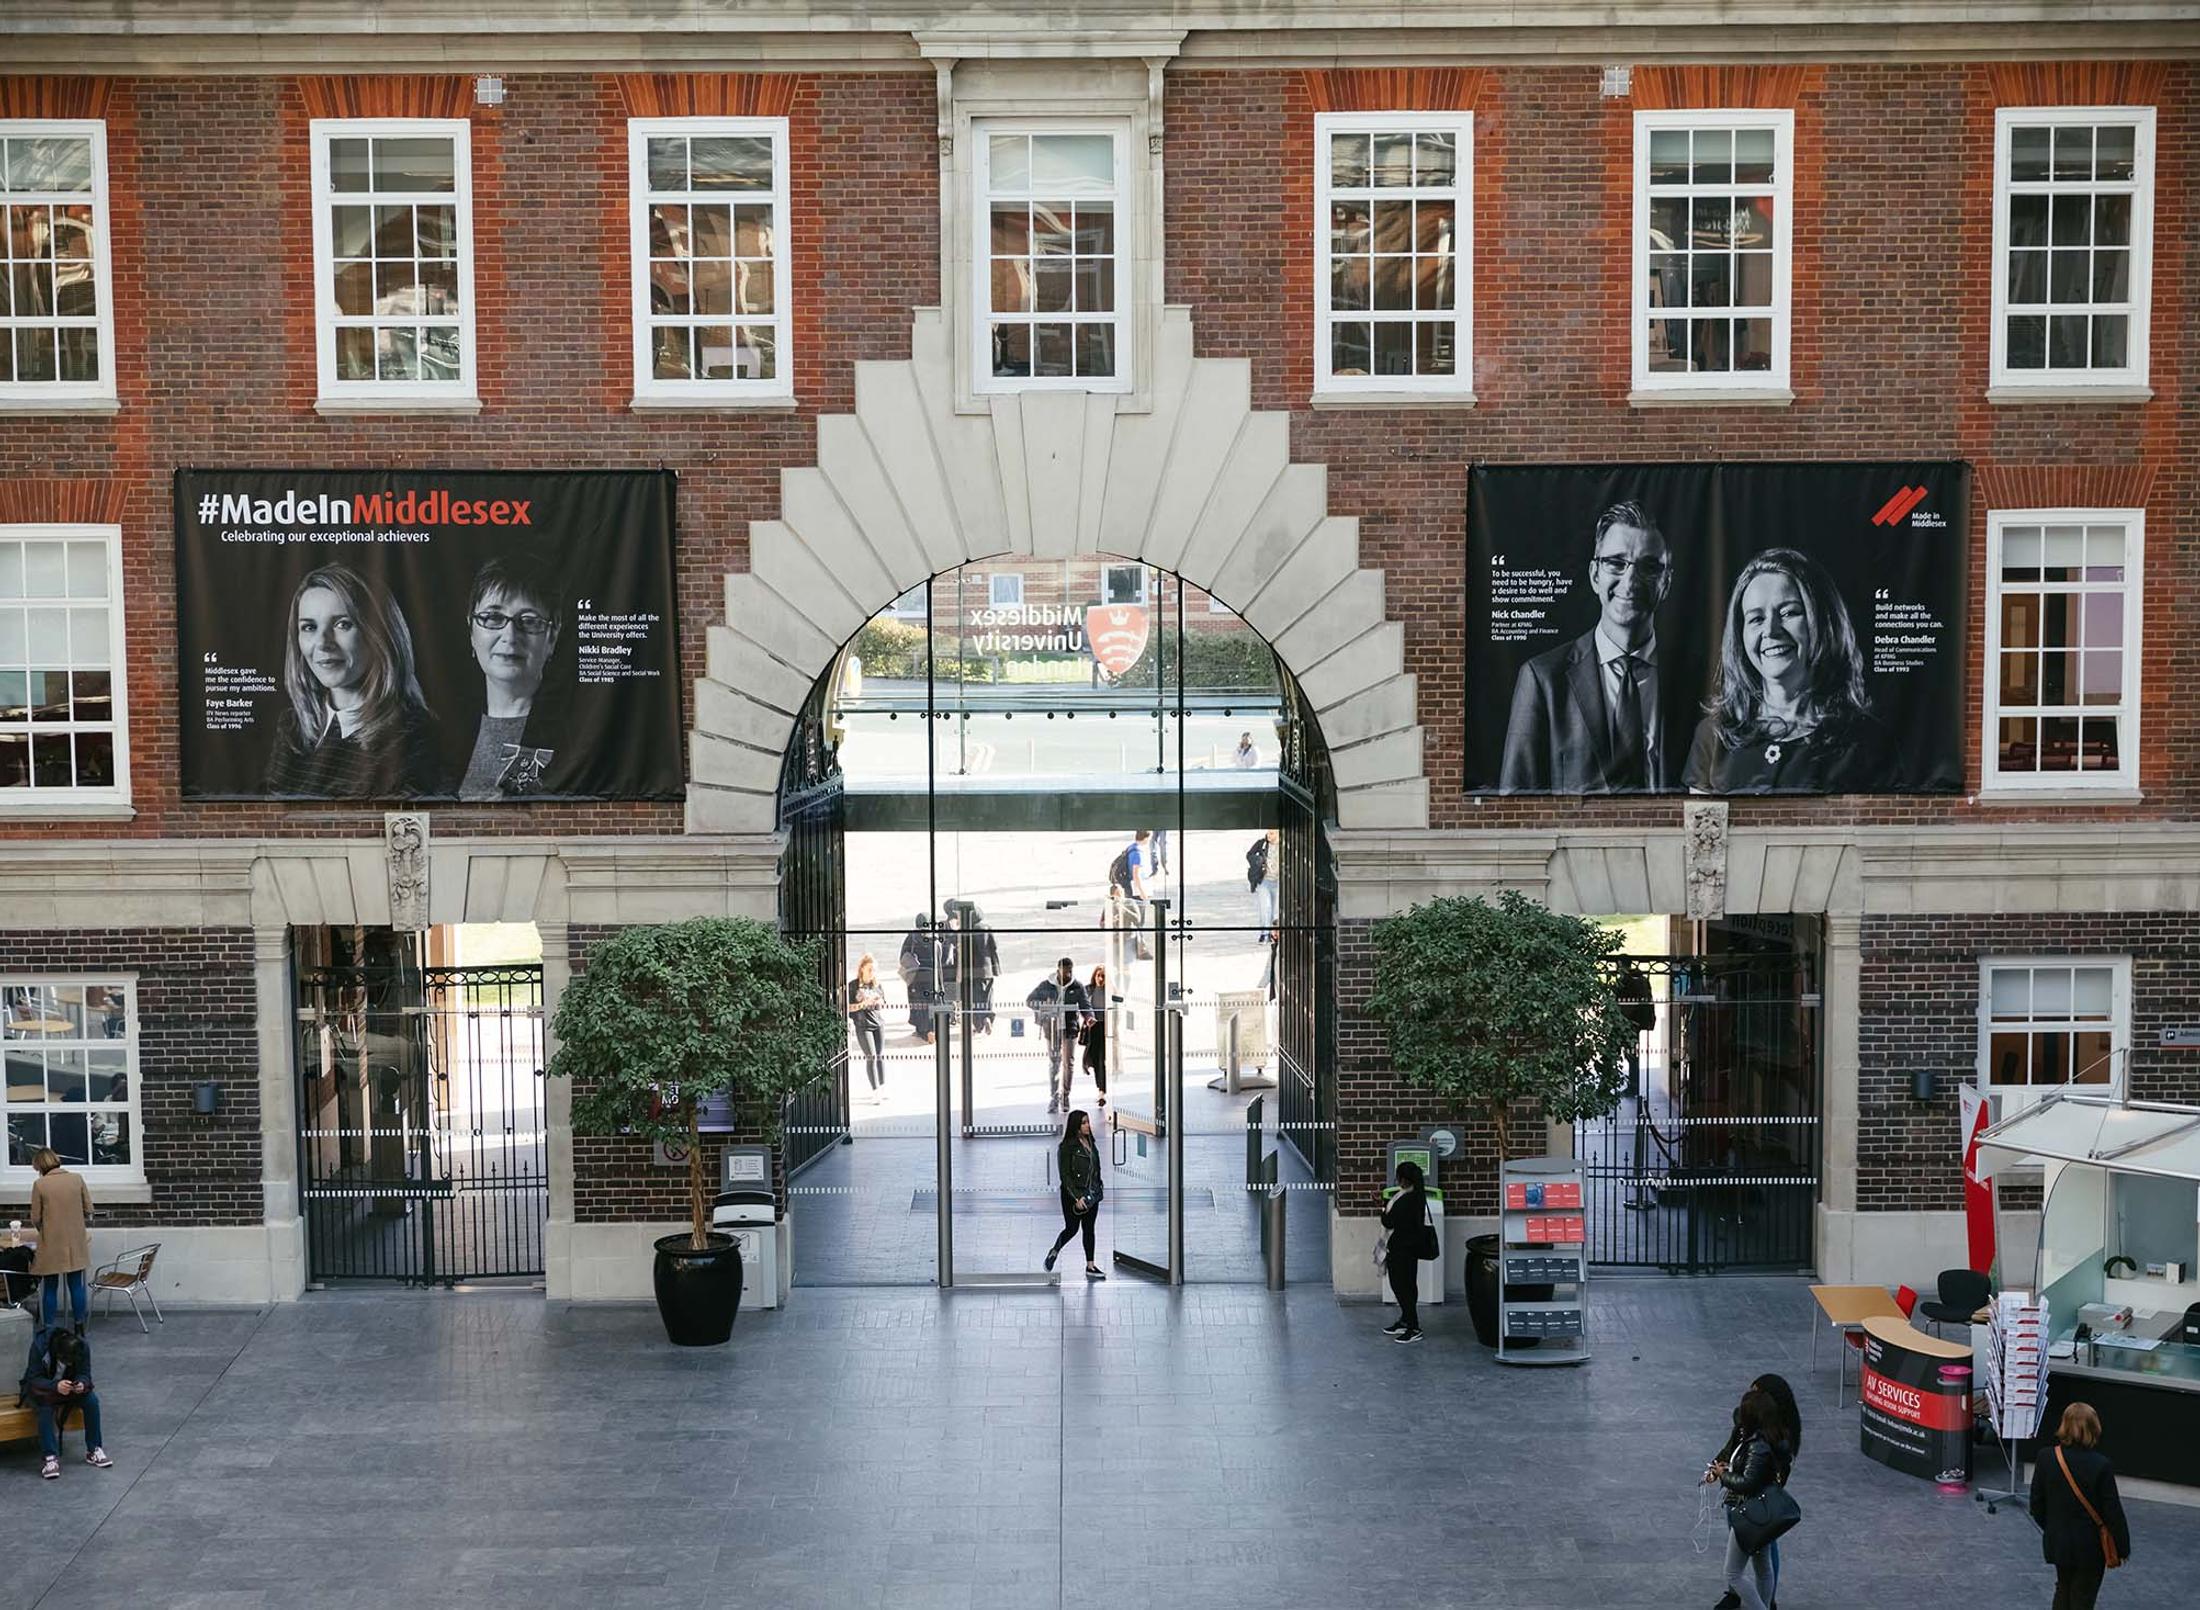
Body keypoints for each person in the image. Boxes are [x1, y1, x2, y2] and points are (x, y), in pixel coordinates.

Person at [1499, 500, 1681, 793]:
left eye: (1649, 567)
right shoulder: (1543, 679)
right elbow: (1514, 802)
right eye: (1616, 563)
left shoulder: (1699, 678)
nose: (1630, 581)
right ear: (1595, 575)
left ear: (1666, 583)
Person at [1684, 548, 1887, 795]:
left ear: (1823, 621)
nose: (1771, 630)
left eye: (1789, 612)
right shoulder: (1713, 736)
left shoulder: (1868, 741)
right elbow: (1702, 831)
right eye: (1756, 619)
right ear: (1740, 635)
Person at [263, 563, 440, 797]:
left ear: (379, 633)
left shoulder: (414, 737)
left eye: (342, 624)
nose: (323, 643)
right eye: (309, 627)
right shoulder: (292, 728)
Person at [450, 554, 567, 799]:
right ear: (471, 629)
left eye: (529, 621)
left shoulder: (577, 735)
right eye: (493, 617)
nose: (510, 636)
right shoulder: (442, 732)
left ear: (552, 635)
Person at [1712, 1374, 1801, 1610]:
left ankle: (1759, 1604)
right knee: (1763, 1565)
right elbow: (1730, 1450)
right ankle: (1764, 1601)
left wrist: (1723, 1475)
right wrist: (1717, 1466)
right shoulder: (1764, 1435)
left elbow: (1748, 1482)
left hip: (1749, 1508)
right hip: (1757, 1508)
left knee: (1733, 1571)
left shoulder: (1759, 1444)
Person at [2031, 1401, 2130, 1610]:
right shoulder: (2101, 1465)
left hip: (2058, 1541)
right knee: (2083, 1595)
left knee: (2063, 1587)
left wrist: (2052, 1527)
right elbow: (2112, 1511)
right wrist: (2122, 1547)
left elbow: (2036, 1504)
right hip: (2090, 1546)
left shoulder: (2046, 1457)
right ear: (2094, 1428)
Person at [20, 1325, 112, 1480]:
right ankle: (50, 1457)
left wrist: (81, 1383)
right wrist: (54, 1386)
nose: (69, 1365)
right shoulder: (39, 1346)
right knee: (45, 1408)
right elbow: (32, 1379)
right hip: (44, 1389)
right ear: (58, 1354)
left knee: (92, 1401)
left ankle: (94, 1448)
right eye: (66, 1361)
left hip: (69, 1388)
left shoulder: (82, 1346)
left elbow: (85, 1373)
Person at [28, 1148, 91, 1333]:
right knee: (76, 1285)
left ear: (40, 1165)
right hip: (75, 1241)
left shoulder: (40, 1185)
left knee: (50, 1287)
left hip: (51, 1243)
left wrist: (45, 1230)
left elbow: (36, 1218)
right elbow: (89, 1208)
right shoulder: (77, 1179)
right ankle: (79, 1325)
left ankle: (48, 1329)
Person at [1043, 1109, 1106, 1280]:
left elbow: (1095, 1167)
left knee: (1089, 1229)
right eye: (1084, 1123)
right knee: (1072, 1229)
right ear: (1076, 1126)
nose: (1087, 1125)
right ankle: (1054, 1251)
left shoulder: (1090, 1142)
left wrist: (1098, 1187)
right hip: (1073, 1195)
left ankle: (1090, 1265)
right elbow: (1065, 1176)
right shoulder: (1066, 1147)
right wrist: (1077, 1197)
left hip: (1092, 1193)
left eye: (1088, 1122)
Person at [1027, 958, 1090, 1114]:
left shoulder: (1077, 986)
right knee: (1054, 1062)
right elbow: (1030, 1000)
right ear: (1058, 970)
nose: (1068, 974)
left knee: (1068, 1062)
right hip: (1052, 1028)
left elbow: (1085, 1004)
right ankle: (1054, 1096)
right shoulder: (1047, 985)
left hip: (1070, 1028)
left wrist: (1089, 1017)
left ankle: (1065, 1095)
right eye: (1066, 970)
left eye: (1070, 970)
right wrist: (1044, 1005)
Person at [1378, 1158, 1431, 1344]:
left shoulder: (1405, 1199)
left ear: (1404, 1179)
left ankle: (1413, 1325)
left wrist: (1382, 1208)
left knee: (1401, 1287)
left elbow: (1388, 1221)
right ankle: (1406, 1319)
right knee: (1407, 1285)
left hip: (1401, 1249)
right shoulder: (1415, 1196)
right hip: (1409, 1248)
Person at [1108, 832, 1154, 960]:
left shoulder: (1131, 848)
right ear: (1147, 838)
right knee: (1138, 921)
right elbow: (1136, 874)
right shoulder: (1138, 853)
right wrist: (1143, 893)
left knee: (1132, 921)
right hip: (1136, 892)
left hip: (1130, 889)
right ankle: (1141, 949)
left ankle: (1135, 947)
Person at [846, 954, 887, 1098]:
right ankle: (875, 1090)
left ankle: (882, 1087)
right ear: (862, 968)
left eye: (874, 970)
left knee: (880, 1056)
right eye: (870, 969)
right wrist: (863, 1004)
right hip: (863, 1025)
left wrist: (877, 1001)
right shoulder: (853, 986)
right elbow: (847, 1008)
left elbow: (884, 1002)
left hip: (878, 1023)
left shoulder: (877, 984)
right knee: (871, 1056)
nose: (872, 973)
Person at [898, 914, 936, 1041]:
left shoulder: (912, 937)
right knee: (931, 1001)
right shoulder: (935, 936)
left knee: (918, 1003)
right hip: (932, 976)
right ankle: (931, 1028)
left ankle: (921, 1030)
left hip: (916, 976)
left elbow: (903, 956)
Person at [1081, 965, 1110, 1108]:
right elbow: (1083, 1007)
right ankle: (1086, 1063)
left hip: (1105, 1026)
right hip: (1093, 1027)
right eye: (1098, 975)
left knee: (1101, 1060)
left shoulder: (1109, 991)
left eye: (1103, 976)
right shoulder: (1088, 990)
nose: (1100, 979)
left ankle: (1102, 1090)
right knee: (1094, 1055)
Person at [1247, 827, 1278, 936]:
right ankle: (1265, 934)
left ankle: (1275, 934)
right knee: (1265, 909)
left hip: (1279, 882)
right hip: (1264, 881)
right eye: (1268, 833)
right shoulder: (1262, 844)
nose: (1269, 835)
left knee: (1276, 912)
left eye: (1272, 833)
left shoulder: (1285, 845)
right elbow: (1249, 855)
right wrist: (1258, 861)